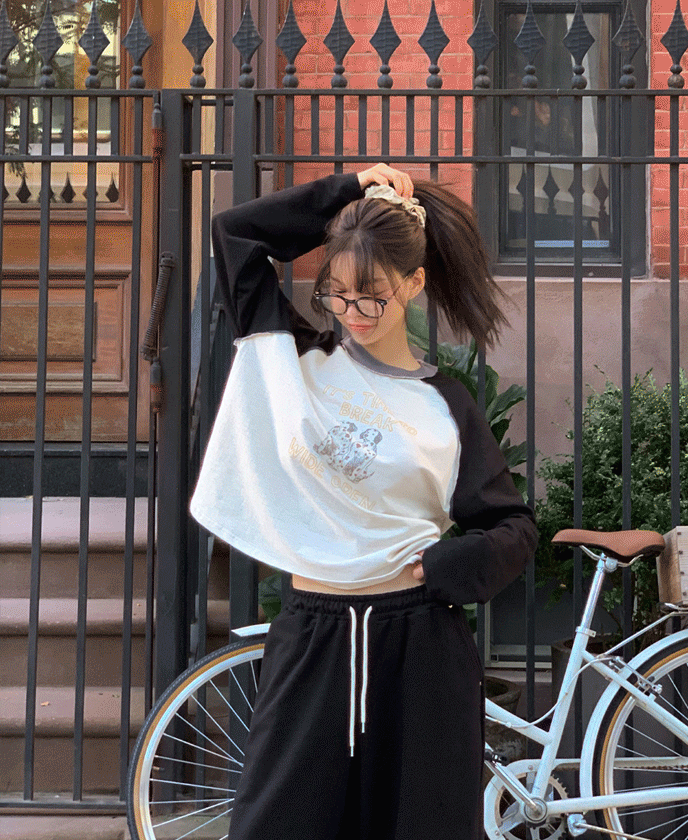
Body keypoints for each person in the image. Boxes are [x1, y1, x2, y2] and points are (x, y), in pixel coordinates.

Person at [190, 163, 538, 840]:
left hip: (419, 647)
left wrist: (444, 567)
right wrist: (346, 190)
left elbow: (511, 526)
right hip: (311, 638)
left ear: (414, 284)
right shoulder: (293, 358)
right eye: (339, 293)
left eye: (372, 296)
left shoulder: (447, 406)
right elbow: (234, 234)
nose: (352, 312)